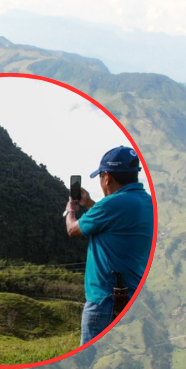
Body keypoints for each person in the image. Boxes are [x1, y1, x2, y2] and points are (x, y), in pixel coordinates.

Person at [63, 146, 153, 345]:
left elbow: (73, 230)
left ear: (107, 177)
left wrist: (70, 210)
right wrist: (89, 203)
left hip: (105, 301)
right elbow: (114, 219)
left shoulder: (111, 205)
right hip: (133, 297)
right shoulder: (147, 202)